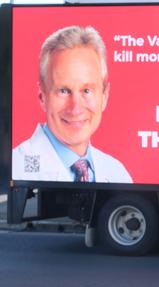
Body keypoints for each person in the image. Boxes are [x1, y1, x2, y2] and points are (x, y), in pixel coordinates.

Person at [12, 25, 132, 183]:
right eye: (63, 91)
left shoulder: (117, 173)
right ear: (42, 96)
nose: (75, 108)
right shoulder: (15, 169)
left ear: (104, 96)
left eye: (87, 91)